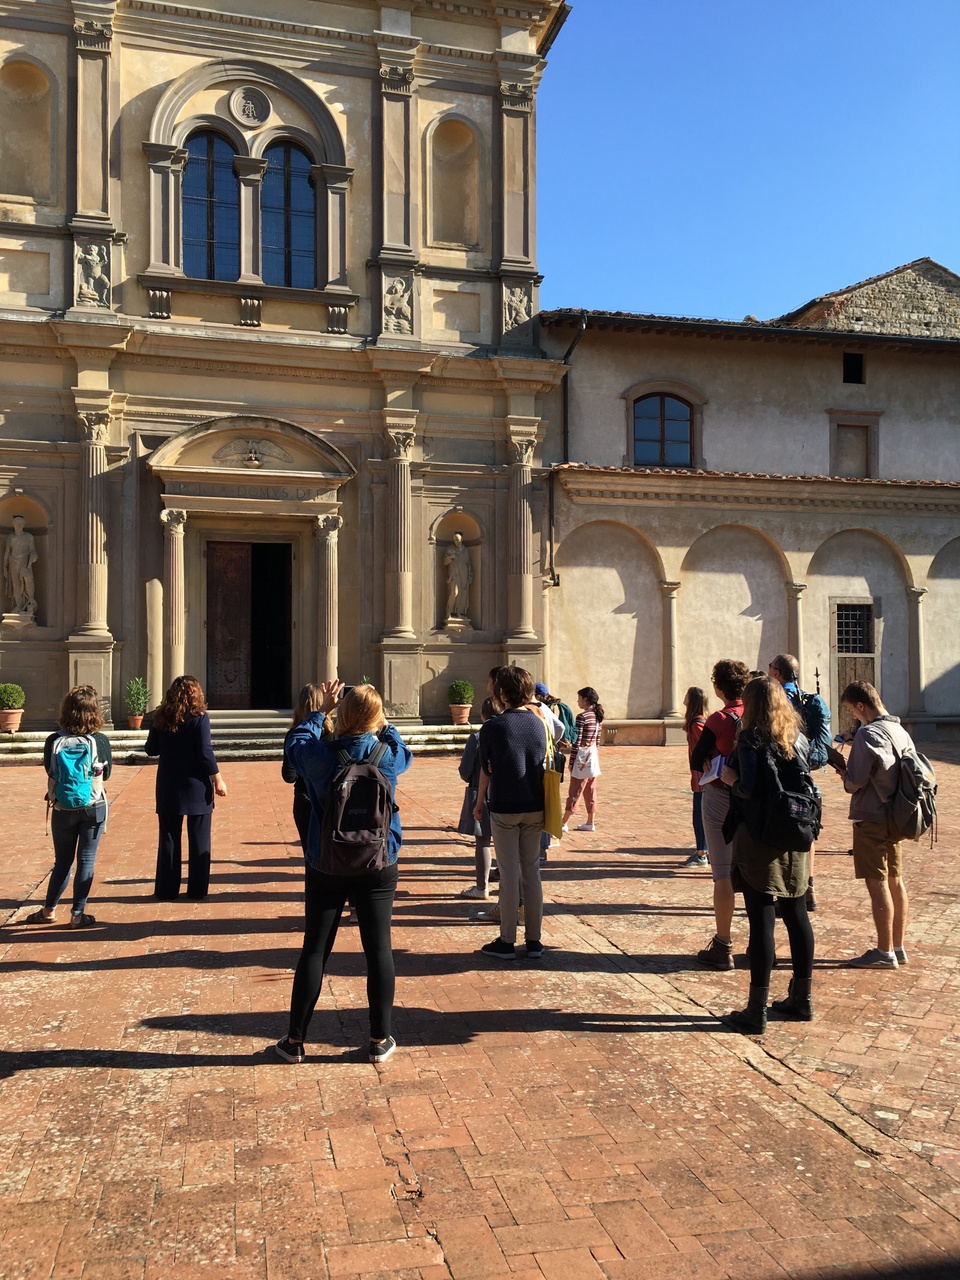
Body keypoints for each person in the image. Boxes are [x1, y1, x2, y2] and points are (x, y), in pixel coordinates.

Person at [278, 681, 412, 1064]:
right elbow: (404, 748)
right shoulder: (388, 755)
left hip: (328, 862)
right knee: (378, 949)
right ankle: (378, 1038)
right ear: (376, 717)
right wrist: (383, 722)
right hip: (378, 860)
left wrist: (323, 710)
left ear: (343, 716)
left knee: (315, 950)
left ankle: (295, 1040)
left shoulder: (320, 756)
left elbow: (295, 743)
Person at [720, 677, 816, 1032]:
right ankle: (802, 998)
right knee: (796, 912)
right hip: (795, 831)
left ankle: (756, 1009)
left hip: (759, 834)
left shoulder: (751, 737)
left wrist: (729, 777)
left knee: (761, 918)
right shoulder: (797, 737)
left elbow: (748, 787)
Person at [474, 666, 560, 960]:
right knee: (532, 872)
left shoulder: (494, 726)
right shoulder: (540, 723)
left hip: (505, 807)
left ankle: (507, 940)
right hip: (535, 805)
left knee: (509, 874)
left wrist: (480, 800)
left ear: (501, 693)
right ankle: (534, 940)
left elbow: (486, 767)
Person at [836, 680, 913, 968]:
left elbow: (855, 782)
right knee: (896, 879)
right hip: (897, 815)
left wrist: (844, 775)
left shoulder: (868, 734)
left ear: (861, 705)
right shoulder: (901, 730)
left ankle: (883, 952)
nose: (853, 717)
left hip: (872, 816)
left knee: (876, 881)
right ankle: (898, 945)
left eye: (852, 711)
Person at [28, 685, 112, 928]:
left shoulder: (54, 740)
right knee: (86, 859)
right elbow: (106, 775)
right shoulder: (99, 740)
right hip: (93, 806)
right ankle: (77, 914)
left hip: (62, 807)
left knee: (63, 861)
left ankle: (48, 910)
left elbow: (49, 770)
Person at [689, 659, 751, 969]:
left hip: (720, 797)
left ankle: (723, 944)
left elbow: (697, 758)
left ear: (718, 687)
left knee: (723, 873)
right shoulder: (757, 715)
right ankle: (757, 944)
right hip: (752, 799)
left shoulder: (719, 719)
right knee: (754, 873)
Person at [146, 675, 227, 899]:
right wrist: (217, 779)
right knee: (199, 837)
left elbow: (151, 749)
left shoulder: (160, 717)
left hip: (169, 783)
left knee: (169, 837)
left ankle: (166, 889)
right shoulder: (199, 718)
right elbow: (205, 752)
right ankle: (197, 889)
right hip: (196, 785)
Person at [768, 654, 831, 911]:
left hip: (782, 776)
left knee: (781, 832)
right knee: (807, 832)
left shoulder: (773, 700)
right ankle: (808, 887)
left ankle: (786, 892)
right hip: (807, 777)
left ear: (777, 673)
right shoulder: (811, 700)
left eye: (771, 667)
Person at [456, 696, 499, 898]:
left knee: (483, 841)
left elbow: (465, 769)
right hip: (506, 792)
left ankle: (482, 887)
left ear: (483, 715)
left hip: (479, 790)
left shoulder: (477, 737)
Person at [282, 684, 328, 854]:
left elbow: (289, 775)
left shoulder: (294, 735)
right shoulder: (334, 733)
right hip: (330, 799)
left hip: (305, 799)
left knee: (310, 855)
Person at [561, 687, 604, 832]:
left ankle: (563, 822)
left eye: (579, 698)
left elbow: (577, 741)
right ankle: (590, 821)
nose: (577, 701)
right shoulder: (597, 715)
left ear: (585, 699)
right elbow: (597, 740)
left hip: (582, 755)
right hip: (593, 754)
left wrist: (572, 760)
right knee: (590, 789)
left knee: (575, 790)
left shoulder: (582, 717)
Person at [682, 686, 709, 867]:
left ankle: (702, 853)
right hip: (699, 777)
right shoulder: (696, 722)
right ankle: (703, 850)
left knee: (700, 816)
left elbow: (705, 749)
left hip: (702, 779)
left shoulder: (697, 724)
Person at [4, 514, 38, 614]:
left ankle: (31, 601)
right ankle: (18, 606)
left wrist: (34, 556)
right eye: (16, 523)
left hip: (25, 562)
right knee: (16, 586)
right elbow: (7, 552)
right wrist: (4, 567)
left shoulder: (29, 537)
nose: (18, 526)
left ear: (23, 525)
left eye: (20, 524)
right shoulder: (10, 538)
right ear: (13, 524)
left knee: (28, 580)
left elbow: (33, 550)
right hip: (13, 563)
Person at [444, 531, 473, 618]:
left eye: (459, 539)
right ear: (454, 541)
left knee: (462, 593)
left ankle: (459, 612)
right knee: (454, 592)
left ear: (462, 539)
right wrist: (450, 557)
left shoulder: (465, 550)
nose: (457, 541)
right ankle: (448, 611)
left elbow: (468, 563)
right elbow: (445, 562)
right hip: (454, 574)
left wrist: (470, 575)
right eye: (456, 540)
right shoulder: (450, 549)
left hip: (464, 574)